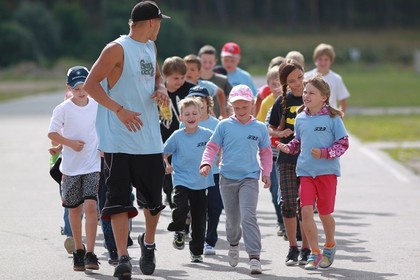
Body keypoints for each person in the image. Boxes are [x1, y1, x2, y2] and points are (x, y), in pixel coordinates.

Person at [83, 1, 170, 278]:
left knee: (153, 204)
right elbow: (90, 84)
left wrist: (160, 89)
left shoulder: (150, 47)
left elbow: (158, 77)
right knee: (119, 201)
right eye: (160, 22)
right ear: (152, 23)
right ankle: (122, 258)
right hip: (119, 140)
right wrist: (118, 110)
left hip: (149, 139)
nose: (160, 26)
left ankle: (148, 243)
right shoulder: (116, 48)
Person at [276, 76, 349, 270]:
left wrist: (325, 153)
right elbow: (299, 141)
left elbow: (343, 143)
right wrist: (288, 148)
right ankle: (314, 253)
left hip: (327, 173)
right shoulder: (300, 117)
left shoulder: (333, 118)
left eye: (311, 93)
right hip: (306, 172)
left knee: (325, 214)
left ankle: (330, 246)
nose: (306, 96)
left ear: (324, 97)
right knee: (305, 211)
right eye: (305, 92)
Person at [200, 84, 273, 274]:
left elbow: (265, 152)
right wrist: (206, 163)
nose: (241, 111)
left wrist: (266, 172)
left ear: (252, 105)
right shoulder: (224, 125)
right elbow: (212, 147)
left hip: (249, 178)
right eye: (237, 107)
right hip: (227, 178)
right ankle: (233, 244)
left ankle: (254, 257)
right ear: (231, 106)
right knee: (233, 221)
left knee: (249, 216)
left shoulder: (259, 128)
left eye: (245, 107)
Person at [47, 66, 101, 272]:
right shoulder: (63, 109)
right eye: (76, 87)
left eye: (84, 86)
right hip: (70, 168)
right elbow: (52, 133)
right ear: (69, 87)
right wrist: (67, 143)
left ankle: (91, 253)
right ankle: (79, 249)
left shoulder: (96, 105)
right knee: (75, 209)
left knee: (91, 206)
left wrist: (104, 147)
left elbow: (103, 128)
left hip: (92, 164)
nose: (81, 91)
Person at [268, 59, 310, 266]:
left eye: (300, 78)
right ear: (284, 82)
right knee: (288, 203)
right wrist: (279, 133)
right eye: (291, 81)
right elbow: (270, 127)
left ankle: (306, 247)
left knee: (306, 205)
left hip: (309, 159)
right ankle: (293, 247)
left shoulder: (312, 97)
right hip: (286, 158)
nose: (297, 84)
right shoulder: (282, 102)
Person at [163, 97, 214, 263]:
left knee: (199, 219)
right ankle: (179, 229)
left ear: (200, 115)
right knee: (181, 206)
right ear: (181, 117)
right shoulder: (177, 136)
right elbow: (163, 152)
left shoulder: (207, 134)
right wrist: (166, 164)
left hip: (201, 182)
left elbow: (218, 147)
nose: (191, 116)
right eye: (187, 114)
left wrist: (219, 158)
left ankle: (197, 252)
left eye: (194, 113)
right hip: (181, 179)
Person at [183, 86, 222, 256]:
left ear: (207, 103)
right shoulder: (186, 121)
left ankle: (210, 241)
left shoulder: (217, 124)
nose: (199, 102)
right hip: (192, 173)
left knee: (215, 206)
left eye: (202, 99)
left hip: (214, 172)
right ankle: (195, 237)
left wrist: (222, 156)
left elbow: (225, 145)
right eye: (195, 99)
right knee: (195, 208)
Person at [160, 56, 196, 209]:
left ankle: (180, 198)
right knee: (166, 172)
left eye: (182, 77)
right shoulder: (158, 90)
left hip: (185, 137)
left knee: (181, 170)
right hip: (163, 136)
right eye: (175, 78)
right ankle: (168, 194)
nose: (179, 81)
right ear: (165, 76)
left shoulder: (189, 89)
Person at [255, 65, 285, 237]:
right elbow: (261, 126)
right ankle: (281, 220)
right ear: (268, 85)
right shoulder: (267, 102)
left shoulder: (292, 101)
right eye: (273, 84)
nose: (277, 88)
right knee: (275, 191)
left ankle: (291, 219)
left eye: (280, 84)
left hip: (289, 151)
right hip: (272, 153)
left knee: (289, 190)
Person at [304, 43, 350, 113]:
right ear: (315, 60)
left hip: (329, 116)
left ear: (331, 61)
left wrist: (338, 119)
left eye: (326, 59)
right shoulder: (307, 77)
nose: (323, 62)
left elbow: (343, 102)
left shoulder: (336, 78)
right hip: (311, 116)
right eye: (320, 59)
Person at [183, 54, 228, 119]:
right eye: (186, 69)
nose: (189, 72)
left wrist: (223, 114)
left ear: (199, 72)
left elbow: (221, 93)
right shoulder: (179, 86)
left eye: (192, 70)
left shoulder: (205, 86)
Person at [198, 44, 232, 117]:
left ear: (215, 62)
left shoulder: (223, 80)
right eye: (204, 62)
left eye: (210, 62)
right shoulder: (194, 80)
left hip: (217, 121)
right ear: (199, 61)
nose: (207, 65)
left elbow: (231, 100)